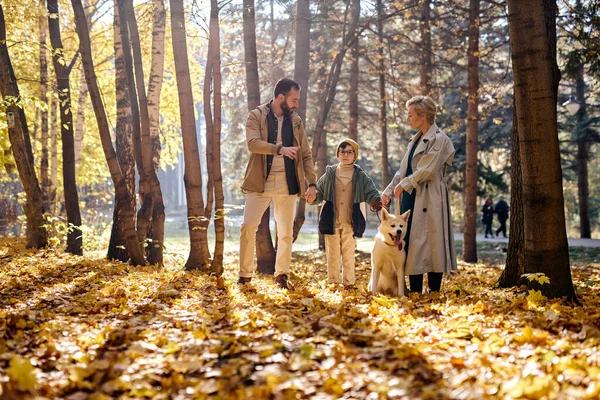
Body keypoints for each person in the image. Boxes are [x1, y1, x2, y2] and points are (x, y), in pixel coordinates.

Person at [238, 78, 317, 289]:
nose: (296, 104)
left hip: (288, 182)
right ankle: (244, 276)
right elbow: (252, 144)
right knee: (247, 227)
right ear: (280, 97)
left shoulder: (297, 121)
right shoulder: (256, 115)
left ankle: (281, 275)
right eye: (293, 100)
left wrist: (312, 184)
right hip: (260, 181)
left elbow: (306, 155)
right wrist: (280, 149)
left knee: (285, 233)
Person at [381, 95, 457, 294]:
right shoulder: (415, 140)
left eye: (411, 115)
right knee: (411, 241)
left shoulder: (439, 139)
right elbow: (403, 170)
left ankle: (434, 291)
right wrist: (388, 191)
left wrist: (404, 184)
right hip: (410, 194)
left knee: (432, 242)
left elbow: (427, 169)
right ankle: (414, 291)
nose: (408, 119)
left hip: (429, 196)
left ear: (423, 116)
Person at [311, 139, 381, 290]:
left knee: (348, 253)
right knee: (333, 253)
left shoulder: (360, 176)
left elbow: (371, 192)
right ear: (337, 154)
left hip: (351, 221)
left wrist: (376, 201)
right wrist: (313, 196)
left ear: (355, 155)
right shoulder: (330, 173)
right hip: (332, 220)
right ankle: (333, 282)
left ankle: (349, 283)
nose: (345, 155)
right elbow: (319, 191)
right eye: (342, 152)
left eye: (350, 152)